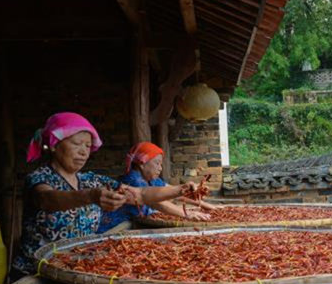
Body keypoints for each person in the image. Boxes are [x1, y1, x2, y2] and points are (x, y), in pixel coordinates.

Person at [14, 113, 196, 275]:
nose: (84, 151)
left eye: (87, 145)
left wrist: (179, 190)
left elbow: (140, 195)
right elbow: (48, 200)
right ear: (54, 145)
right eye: (77, 144)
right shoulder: (39, 178)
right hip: (36, 272)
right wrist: (90, 196)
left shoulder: (91, 180)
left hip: (76, 269)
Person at [99, 142, 216, 232]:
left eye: (161, 164)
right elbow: (156, 203)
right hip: (115, 227)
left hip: (132, 222)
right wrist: (186, 214)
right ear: (142, 164)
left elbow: (172, 192)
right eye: (157, 163)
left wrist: (205, 205)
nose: (160, 168)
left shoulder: (152, 180)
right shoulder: (133, 180)